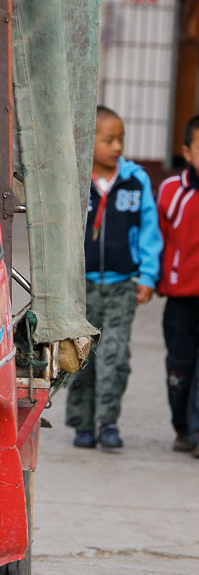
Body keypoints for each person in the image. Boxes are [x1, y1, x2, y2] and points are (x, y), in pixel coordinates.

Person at [65, 105, 162, 450]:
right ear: (87, 141)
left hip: (123, 286)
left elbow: (149, 231)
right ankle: (82, 423)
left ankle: (108, 422)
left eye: (121, 139)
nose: (118, 146)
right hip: (82, 287)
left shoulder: (136, 180)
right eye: (108, 140)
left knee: (115, 356)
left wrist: (147, 276)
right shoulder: (76, 182)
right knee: (81, 355)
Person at [156, 114, 199, 457]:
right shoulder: (172, 191)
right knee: (179, 367)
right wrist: (150, 279)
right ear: (187, 152)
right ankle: (182, 427)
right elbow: (155, 238)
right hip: (180, 299)